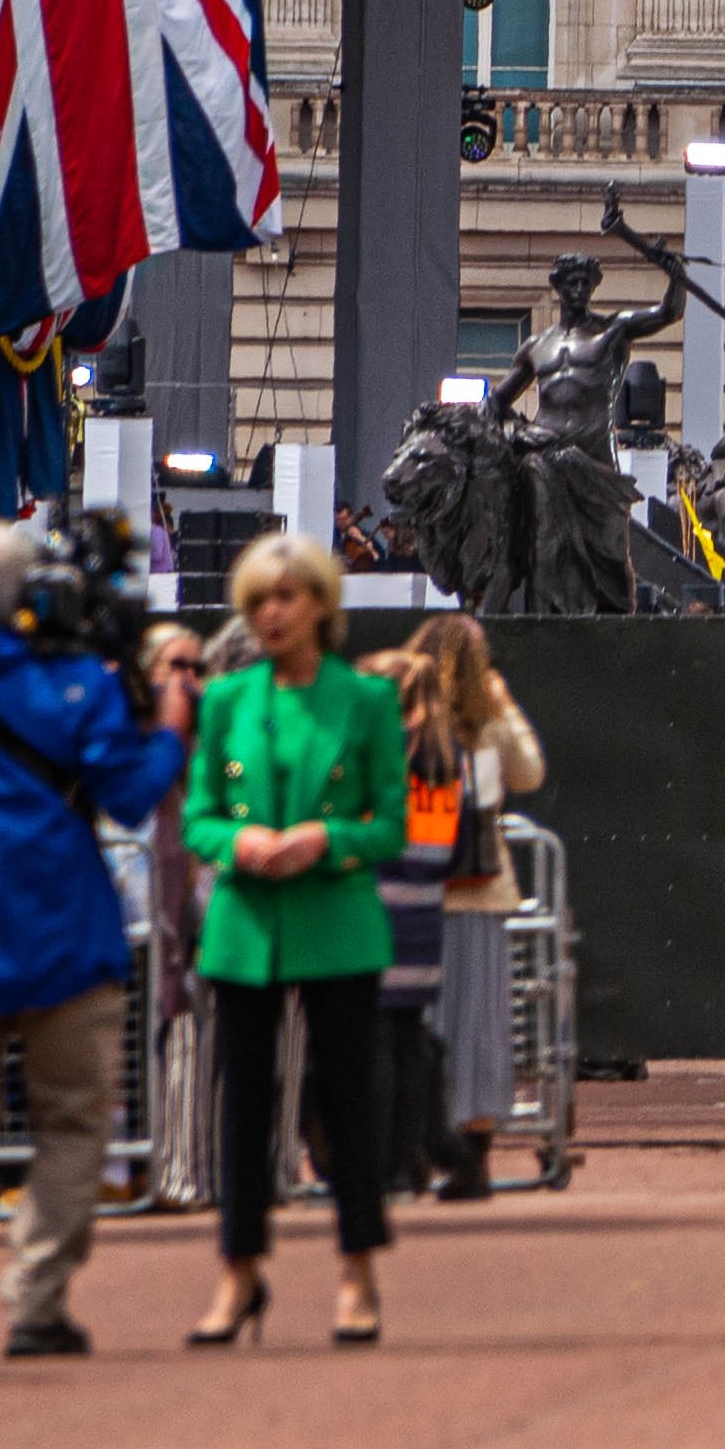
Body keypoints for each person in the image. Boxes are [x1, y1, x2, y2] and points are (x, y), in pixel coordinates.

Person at [0, 519, 180, 1360]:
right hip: (63, 934)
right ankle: (36, 1300)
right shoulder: (76, 683)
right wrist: (167, 726)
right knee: (71, 1120)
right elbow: (129, 793)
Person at [181, 534, 408, 1340]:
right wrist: (234, 841)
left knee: (347, 1105)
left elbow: (390, 822)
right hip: (246, 925)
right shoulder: (224, 701)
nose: (270, 615)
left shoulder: (366, 700)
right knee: (241, 1109)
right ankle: (238, 1272)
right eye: (256, 602)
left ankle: (358, 1270)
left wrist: (328, 838)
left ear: (320, 604)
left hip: (336, 920)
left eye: (284, 597)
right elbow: (199, 814)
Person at [393, 614, 548, 1202]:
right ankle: (468, 1159)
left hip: (414, 890)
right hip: (477, 892)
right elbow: (529, 773)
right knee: (478, 1028)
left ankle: (413, 1154)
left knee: (418, 1026)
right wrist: (504, 705)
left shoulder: (401, 723)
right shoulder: (484, 727)